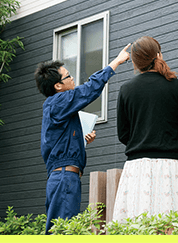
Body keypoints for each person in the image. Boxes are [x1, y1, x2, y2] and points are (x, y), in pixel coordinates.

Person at [34, 44, 130, 234]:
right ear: (58, 85)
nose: (73, 79)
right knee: (63, 232)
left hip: (63, 176)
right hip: (65, 177)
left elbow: (57, 142)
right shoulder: (59, 101)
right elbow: (89, 89)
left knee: (60, 230)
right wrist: (116, 62)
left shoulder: (56, 106)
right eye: (68, 76)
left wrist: (81, 140)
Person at [113, 36, 178, 222]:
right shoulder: (176, 86)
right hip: (172, 166)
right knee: (173, 226)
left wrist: (141, 141)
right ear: (159, 55)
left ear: (134, 61)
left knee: (136, 226)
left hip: (137, 168)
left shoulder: (126, 89)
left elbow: (123, 133)